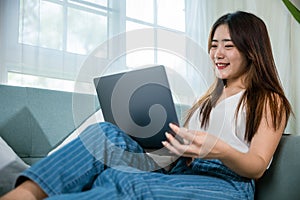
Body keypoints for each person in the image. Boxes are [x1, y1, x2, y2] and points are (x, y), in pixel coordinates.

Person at [0, 11, 292, 200]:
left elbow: (256, 166)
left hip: (227, 184)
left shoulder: (268, 99)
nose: (217, 53)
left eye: (228, 45)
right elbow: (185, 150)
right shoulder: (207, 100)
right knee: (106, 136)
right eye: (214, 44)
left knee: (133, 186)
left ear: (252, 50)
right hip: (182, 172)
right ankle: (25, 193)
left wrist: (220, 150)